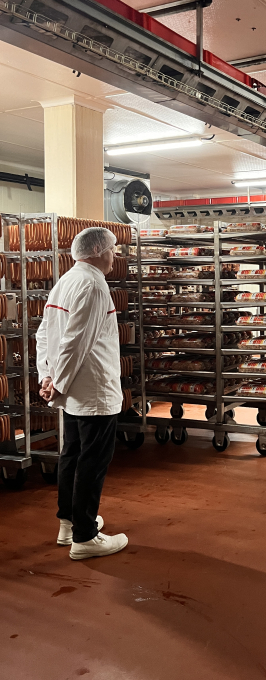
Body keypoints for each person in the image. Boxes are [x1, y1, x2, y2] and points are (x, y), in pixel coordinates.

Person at [36, 227, 128, 559]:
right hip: (93, 390)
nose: (115, 255)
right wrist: (57, 382)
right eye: (113, 249)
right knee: (93, 460)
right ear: (97, 251)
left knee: (72, 454)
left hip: (73, 390)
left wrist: (48, 376)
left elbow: (44, 335)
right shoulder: (93, 285)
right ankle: (85, 537)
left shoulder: (66, 281)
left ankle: (69, 523)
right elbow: (77, 342)